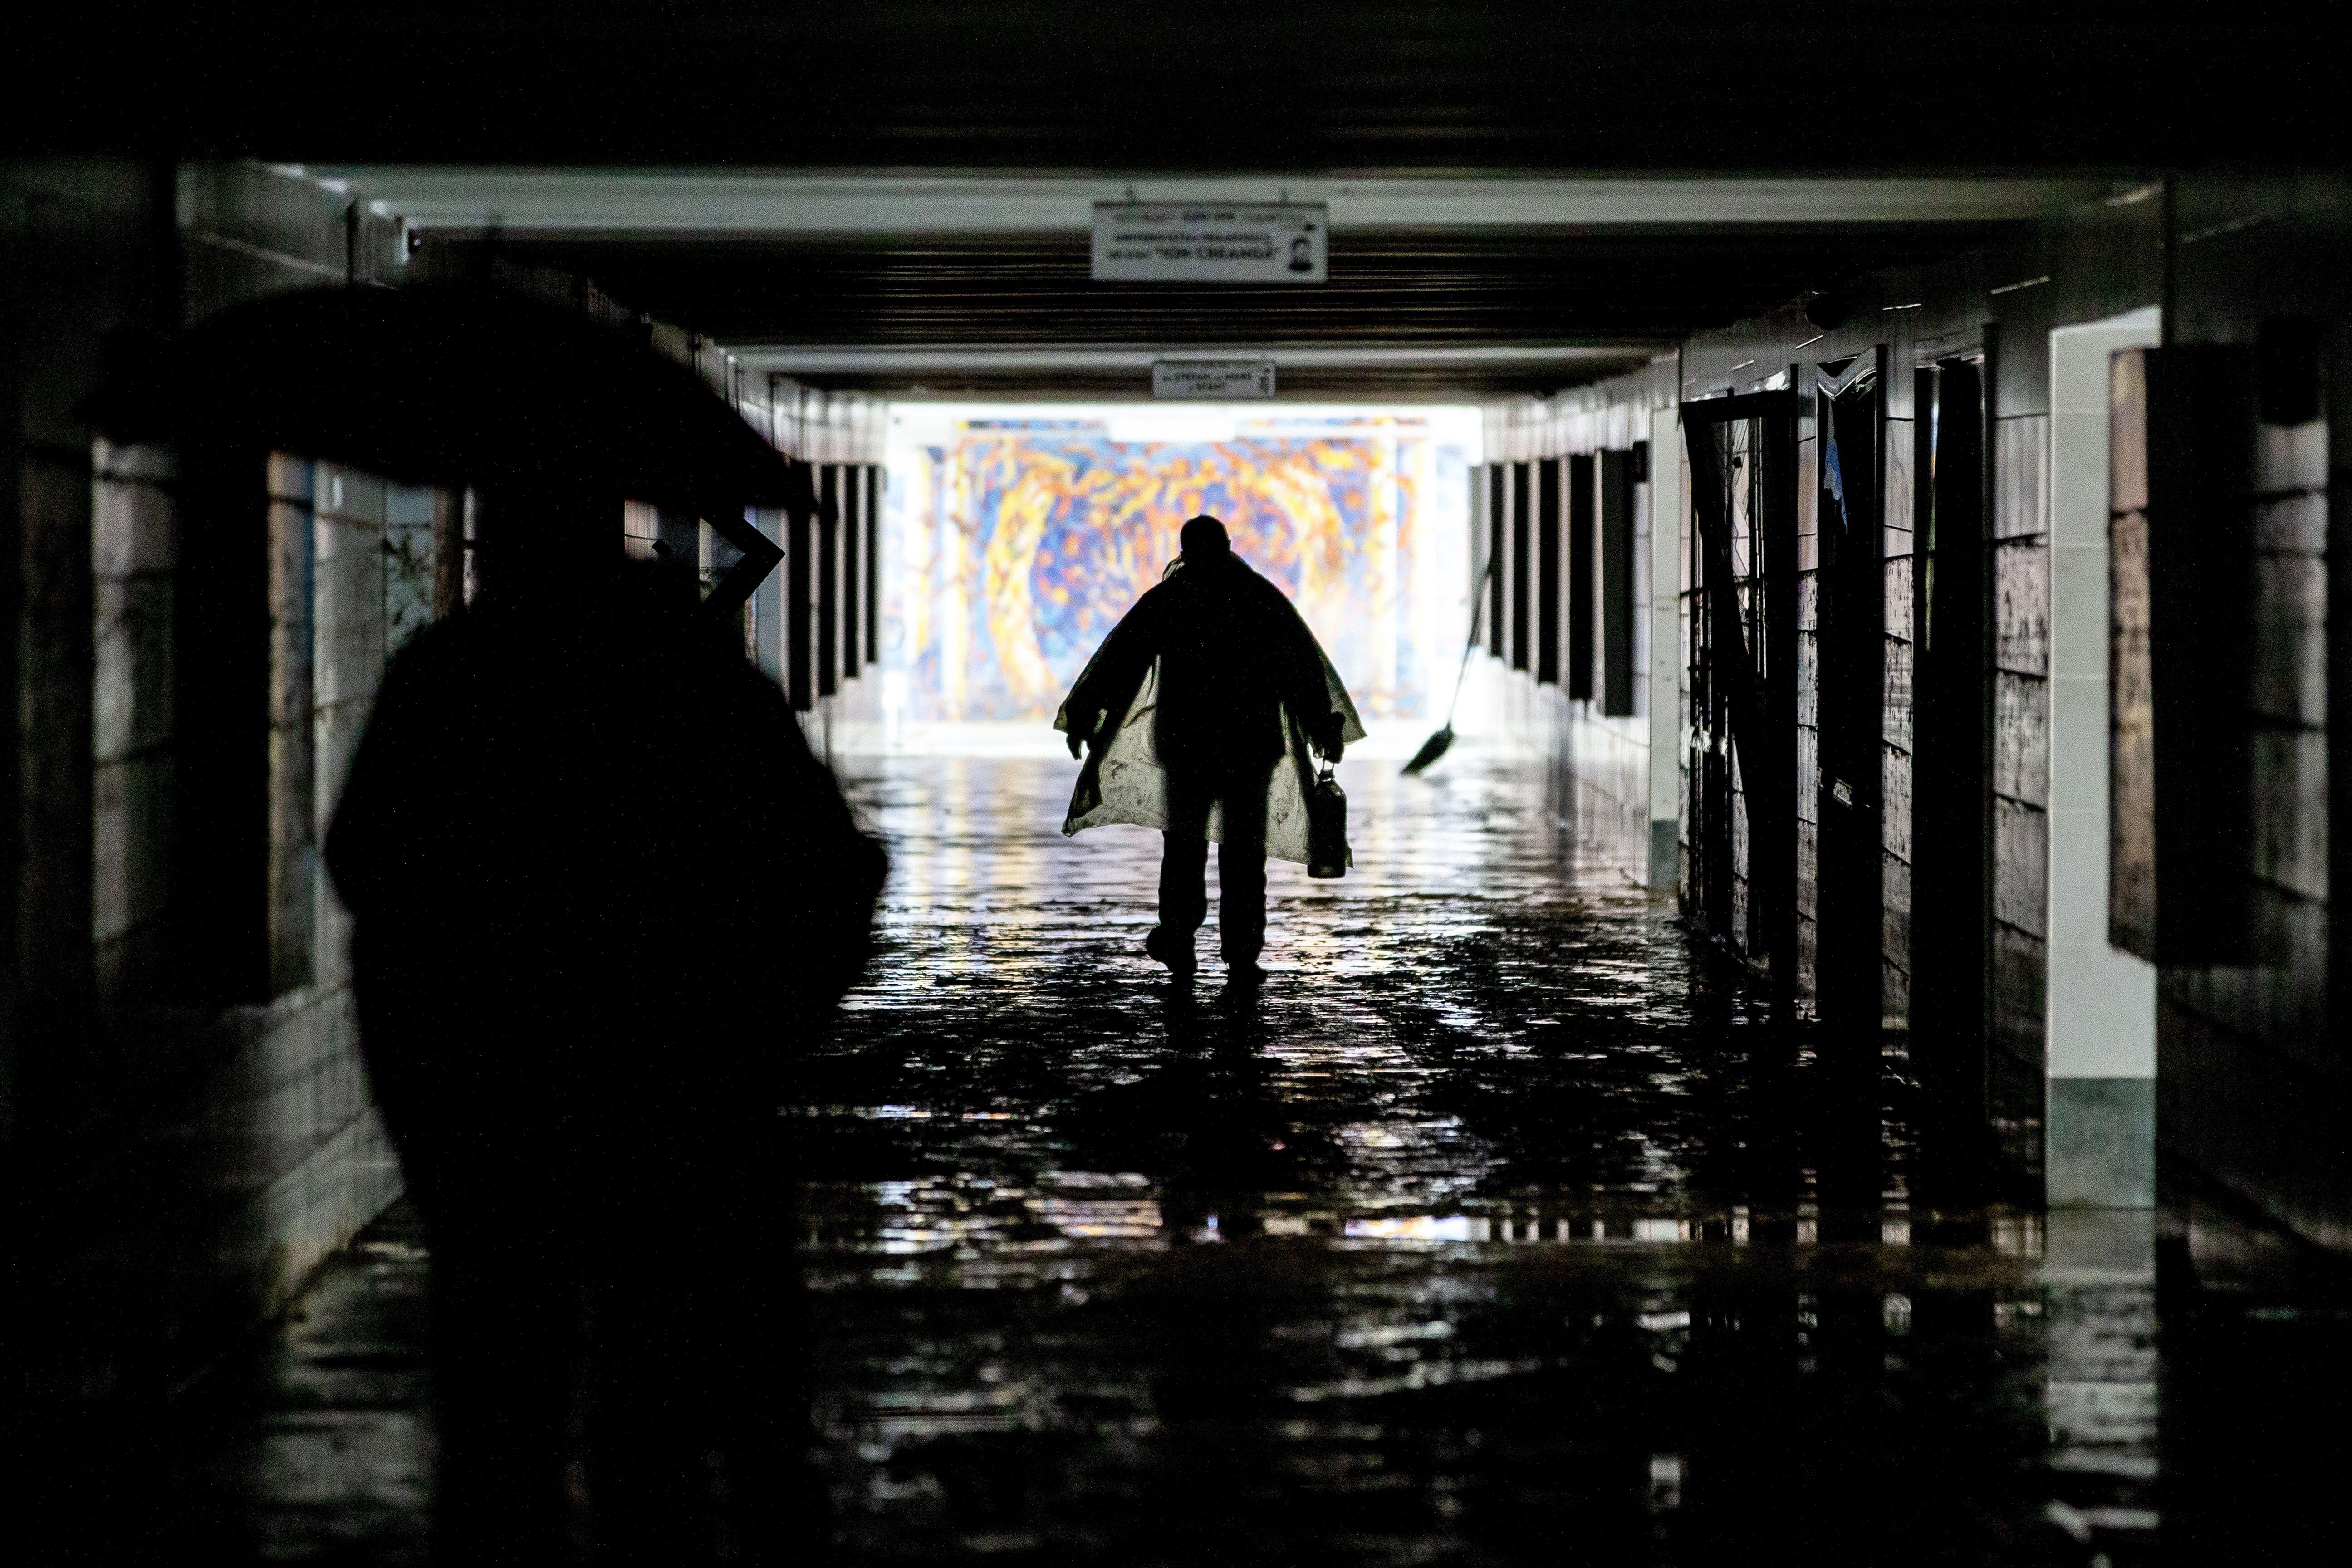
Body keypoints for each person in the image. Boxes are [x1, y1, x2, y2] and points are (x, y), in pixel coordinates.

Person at [323, 488, 887, 1563]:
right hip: (678, 1084)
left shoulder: (448, 676)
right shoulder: (701, 683)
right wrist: (768, 1030)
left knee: (500, 1386)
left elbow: (365, 856)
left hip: (489, 1093)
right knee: (664, 1372)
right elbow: (832, 867)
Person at [1055, 514, 1357, 983]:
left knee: (1183, 846)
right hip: (1251, 747)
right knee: (1244, 853)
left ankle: (1178, 937)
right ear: (1229, 545)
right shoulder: (1259, 599)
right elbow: (1301, 668)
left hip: (1186, 743)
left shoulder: (1172, 599)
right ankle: (1241, 953)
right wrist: (1323, 727)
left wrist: (1083, 716)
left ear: (1184, 550)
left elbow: (1122, 657)